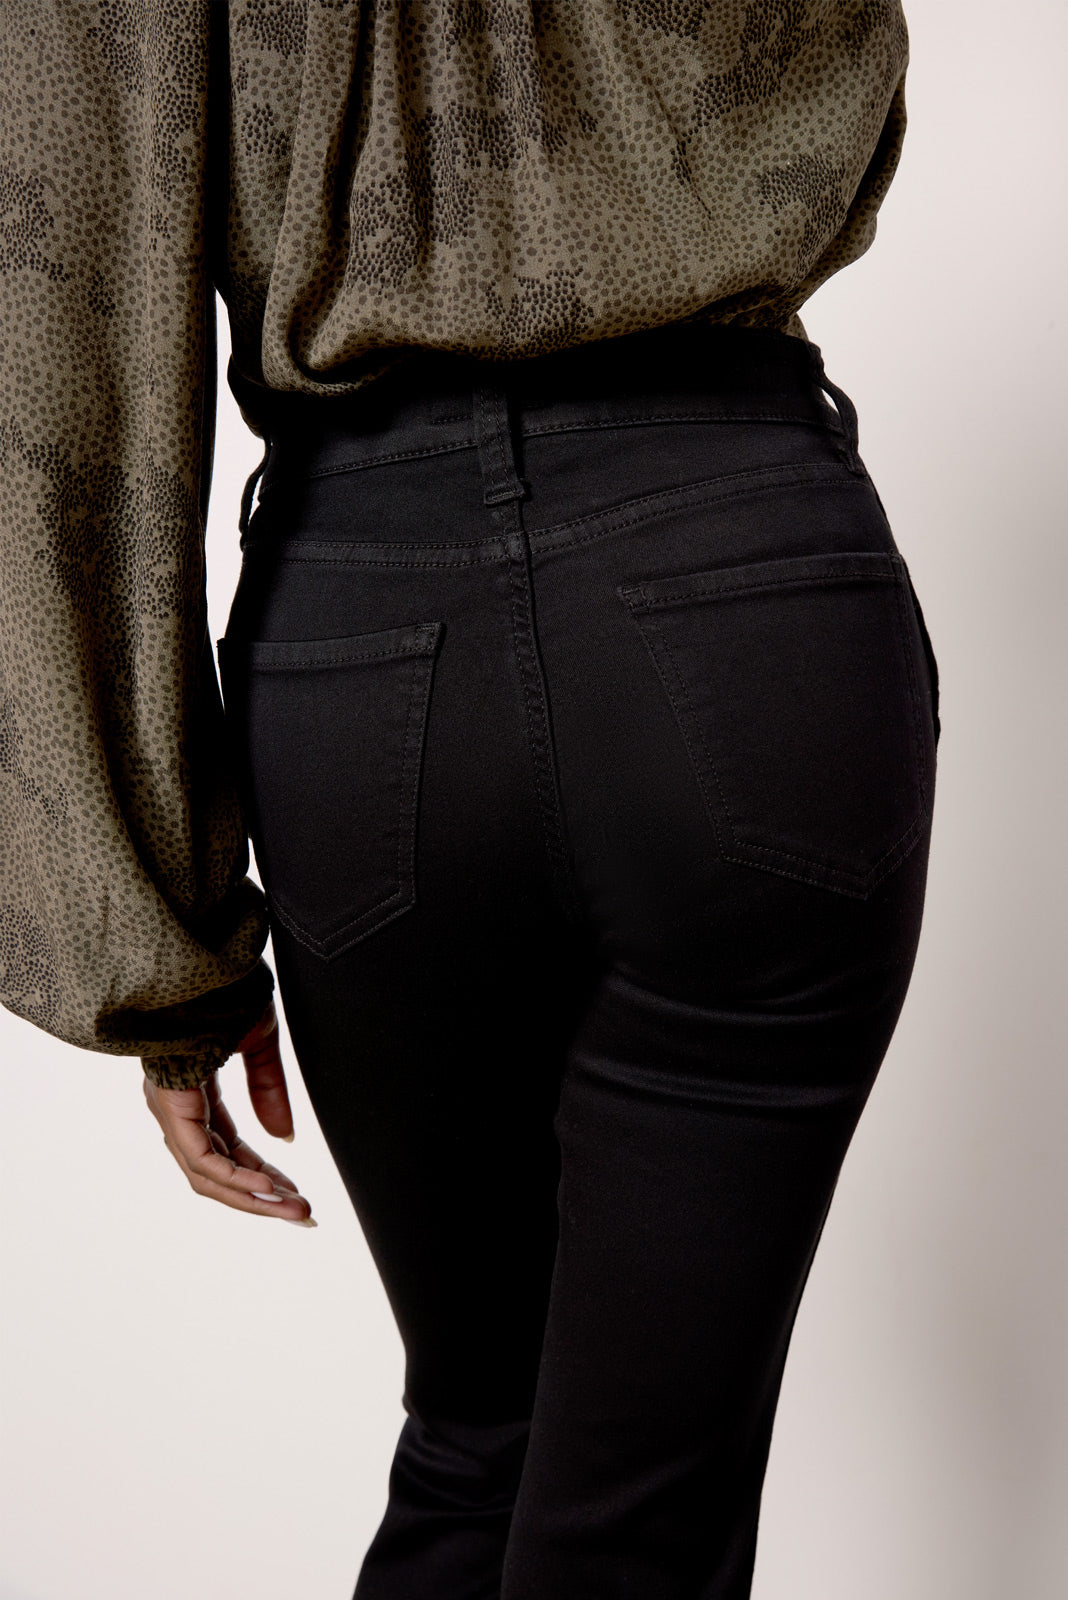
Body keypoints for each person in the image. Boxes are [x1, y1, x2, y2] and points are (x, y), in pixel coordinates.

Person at [0, 3, 938, 1595]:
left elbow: (55, 282)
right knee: (637, 1514)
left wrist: (153, 943)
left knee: (472, 1447)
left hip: (366, 636)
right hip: (735, 572)